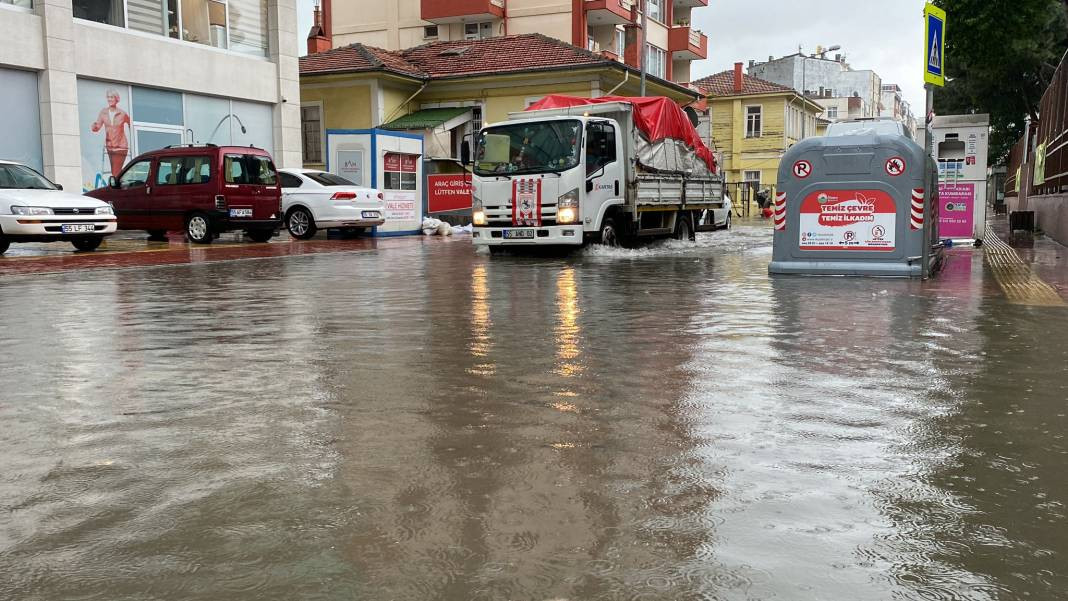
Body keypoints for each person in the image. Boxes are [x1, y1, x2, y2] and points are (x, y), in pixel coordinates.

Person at [90, 89, 131, 178]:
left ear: (116, 99)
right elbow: (97, 127)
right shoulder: (103, 112)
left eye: (112, 97)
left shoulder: (122, 113)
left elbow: (131, 124)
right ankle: (121, 186)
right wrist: (94, 126)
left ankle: (116, 189)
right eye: (108, 97)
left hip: (121, 146)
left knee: (116, 171)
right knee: (115, 171)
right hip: (110, 146)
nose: (109, 99)